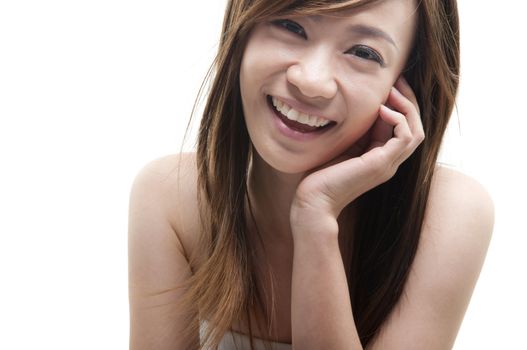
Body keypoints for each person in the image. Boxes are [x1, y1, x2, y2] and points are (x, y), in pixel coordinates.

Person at [128, 0, 494, 349]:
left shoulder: (449, 213)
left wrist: (315, 217)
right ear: (243, 30)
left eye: (363, 52)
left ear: (404, 86)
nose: (311, 80)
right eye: (291, 24)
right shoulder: (174, 198)